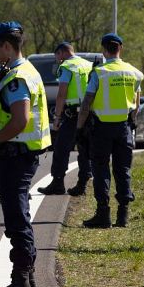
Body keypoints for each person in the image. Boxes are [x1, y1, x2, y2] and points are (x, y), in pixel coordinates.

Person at [0, 21, 51, 287]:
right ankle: (26, 283)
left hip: (16, 156)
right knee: (18, 217)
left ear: (7, 46)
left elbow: (20, 120)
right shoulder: (24, 70)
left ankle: (21, 284)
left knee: (17, 220)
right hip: (20, 155)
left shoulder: (17, 79)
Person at [76, 33, 143, 228]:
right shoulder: (134, 73)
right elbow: (136, 104)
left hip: (101, 128)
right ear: (120, 49)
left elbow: (87, 102)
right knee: (123, 169)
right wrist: (132, 119)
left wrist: (79, 128)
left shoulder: (99, 72)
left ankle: (103, 214)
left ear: (104, 50)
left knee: (100, 168)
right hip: (123, 127)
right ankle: (123, 215)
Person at [38, 42, 93, 196]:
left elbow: (62, 93)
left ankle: (58, 183)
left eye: (57, 57)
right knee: (84, 149)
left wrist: (57, 117)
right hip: (88, 114)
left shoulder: (67, 67)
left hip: (72, 115)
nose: (57, 61)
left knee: (61, 148)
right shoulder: (87, 65)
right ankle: (82, 185)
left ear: (61, 53)